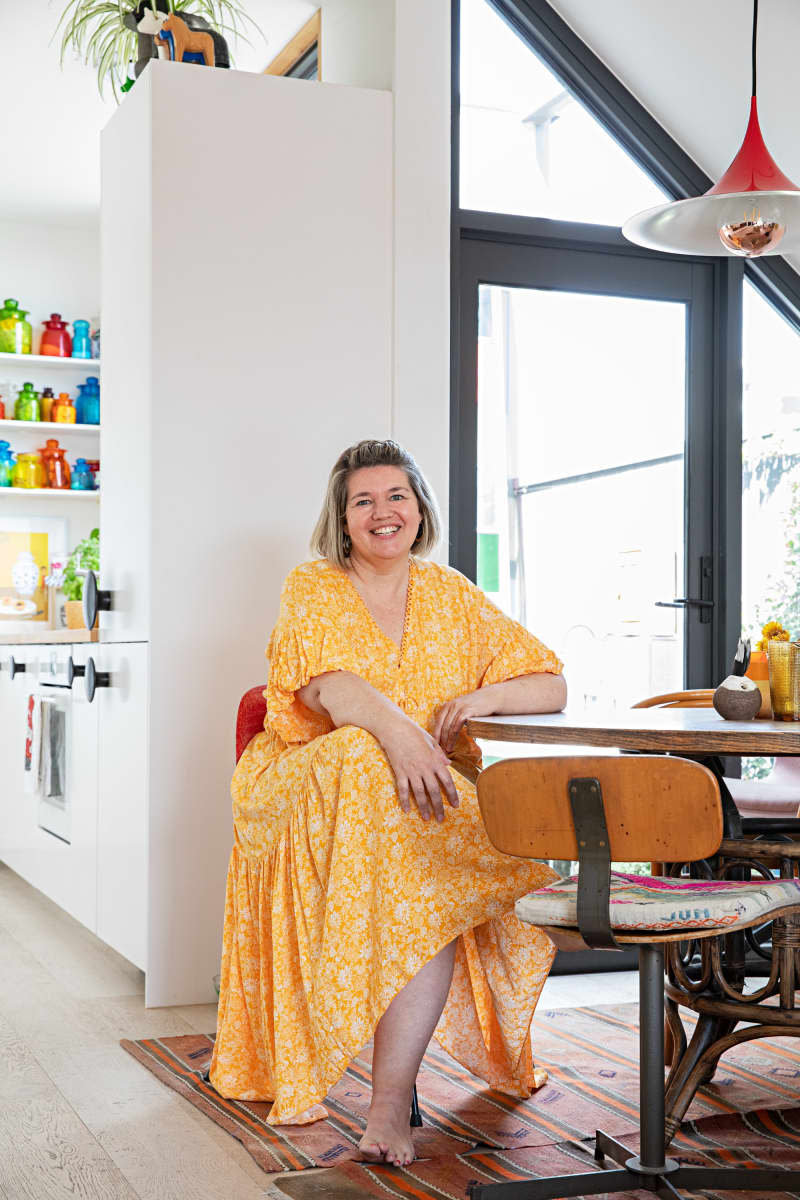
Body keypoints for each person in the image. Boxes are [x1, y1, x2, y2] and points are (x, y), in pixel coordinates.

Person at [209, 439, 567, 1167]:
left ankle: (386, 1104)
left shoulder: (452, 594)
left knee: (415, 872)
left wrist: (482, 695)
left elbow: (551, 683)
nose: (382, 512)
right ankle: (387, 1104)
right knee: (363, 754)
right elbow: (329, 691)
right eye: (363, 501)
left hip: (417, 801)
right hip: (308, 782)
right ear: (343, 521)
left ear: (419, 509)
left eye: (396, 496)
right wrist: (402, 734)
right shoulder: (313, 585)